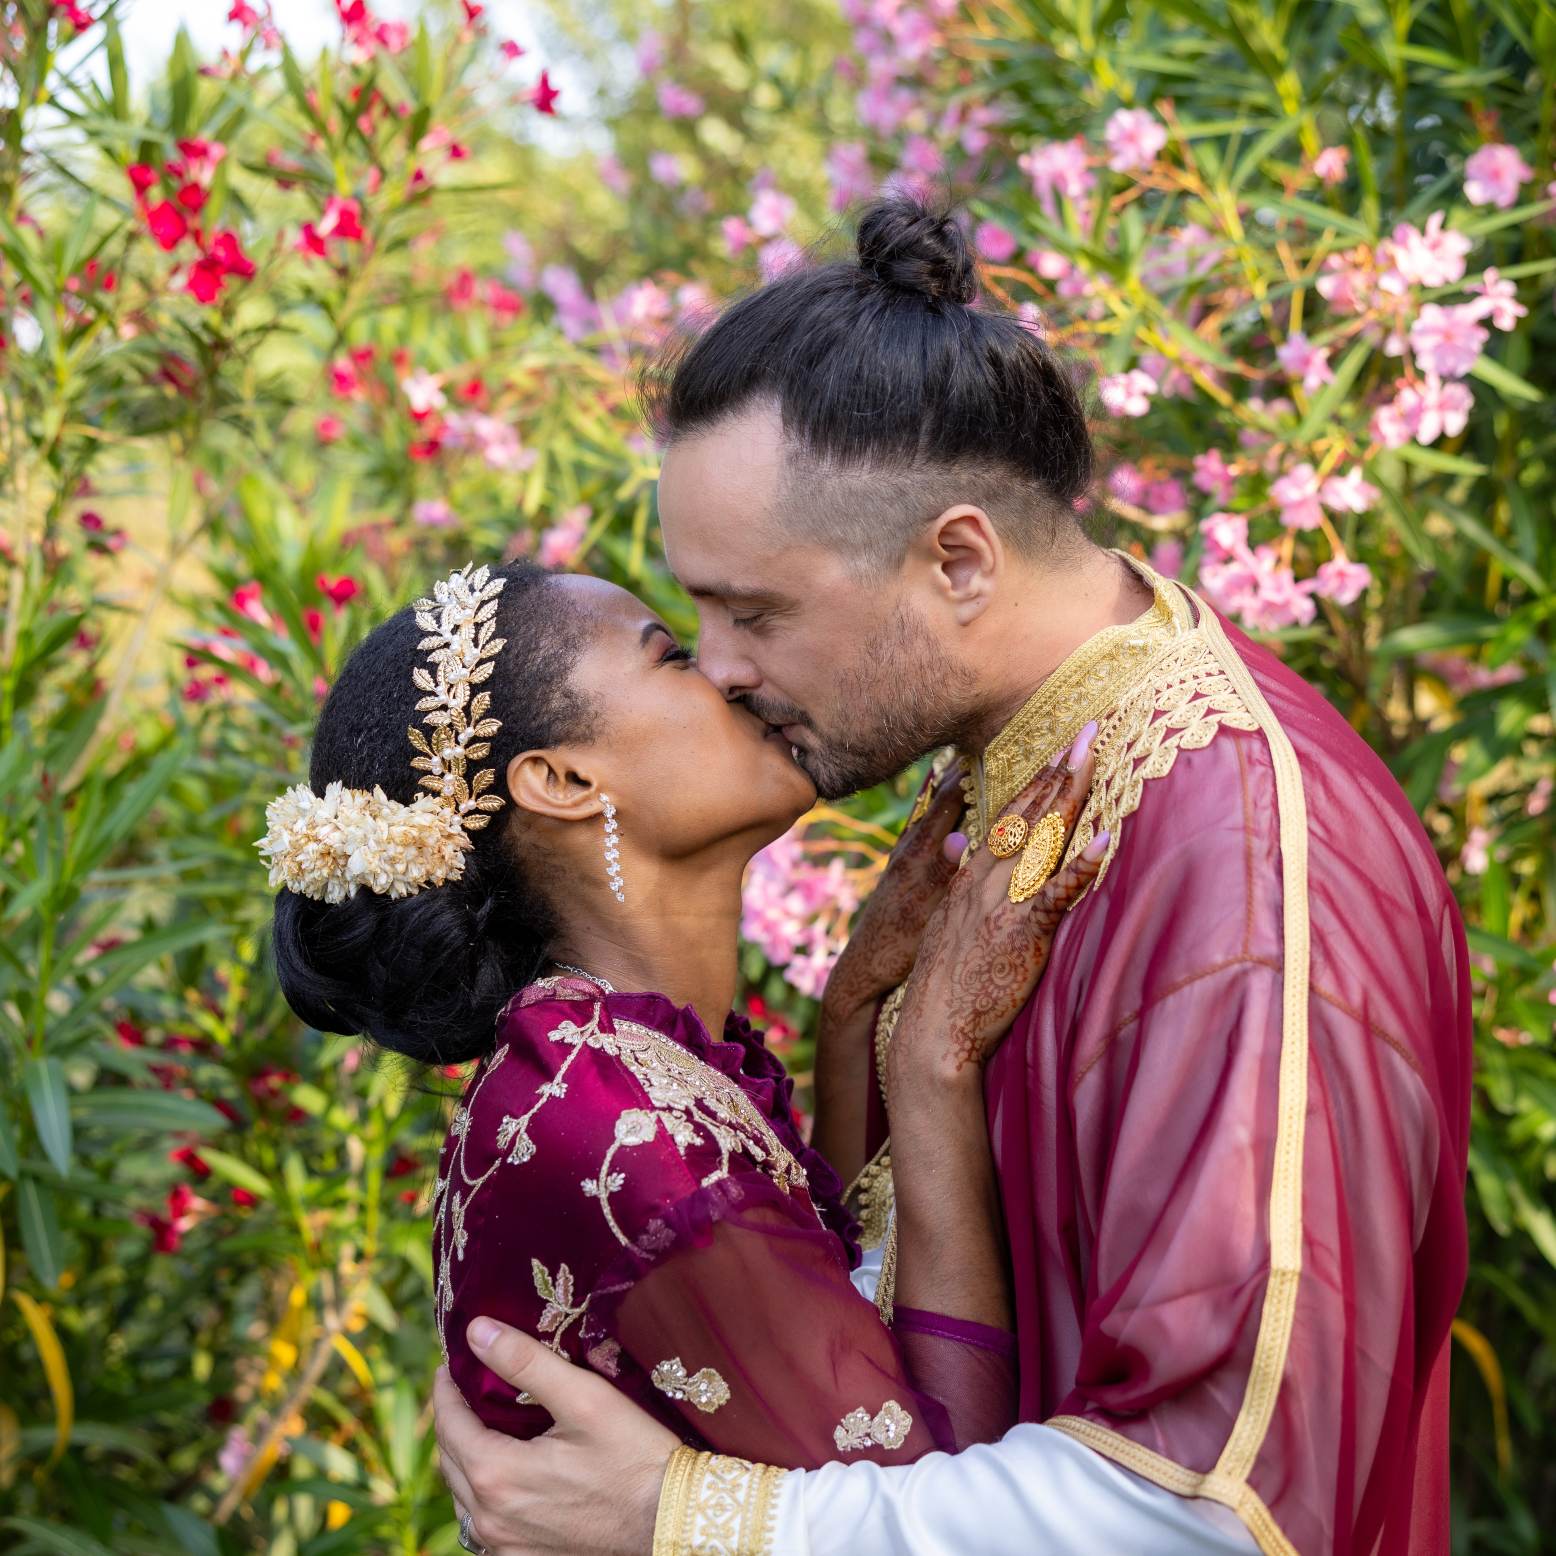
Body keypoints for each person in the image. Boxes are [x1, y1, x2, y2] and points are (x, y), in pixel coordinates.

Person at [432, 196, 1473, 1556]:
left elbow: (1219, 1510)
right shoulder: (1020, 766)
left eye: (755, 610)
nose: (722, 668)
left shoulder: (1245, 866)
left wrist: (684, 1519)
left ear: (960, 560)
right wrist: (879, 1043)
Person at [258, 558, 1108, 1522]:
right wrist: (931, 1064)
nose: (730, 671)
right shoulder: (618, 1131)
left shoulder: (601, 1061)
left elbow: (807, 1302)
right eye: (670, 655)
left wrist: (855, 1009)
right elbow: (937, 1504)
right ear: (566, 781)